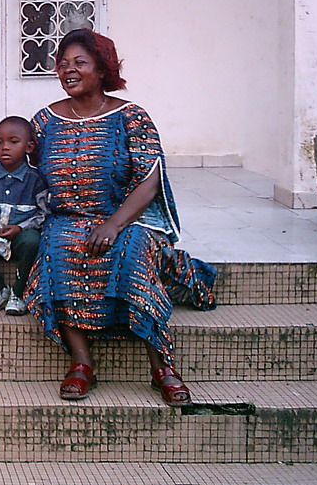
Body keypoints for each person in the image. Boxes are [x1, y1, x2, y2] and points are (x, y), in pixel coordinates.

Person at [23, 28, 216, 406]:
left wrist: (113, 224)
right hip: (67, 217)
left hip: (128, 217)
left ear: (102, 68)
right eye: (63, 65)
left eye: (79, 63)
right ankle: (82, 364)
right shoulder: (44, 120)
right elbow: (29, 171)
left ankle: (162, 366)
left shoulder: (132, 117)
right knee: (58, 248)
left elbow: (149, 180)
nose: (69, 71)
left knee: (128, 255)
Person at [0, 116, 49, 315]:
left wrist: (21, 228)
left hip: (21, 235)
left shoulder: (36, 179)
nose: (5, 147)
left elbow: (43, 213)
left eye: (13, 142)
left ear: (29, 147)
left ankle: (19, 292)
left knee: (32, 241)